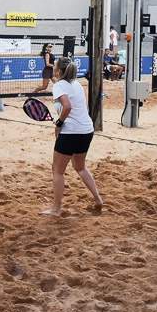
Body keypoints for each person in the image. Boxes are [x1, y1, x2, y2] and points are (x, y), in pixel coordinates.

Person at [43, 56, 103, 217]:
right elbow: (83, 107)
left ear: (59, 71)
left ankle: (56, 209)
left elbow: (67, 106)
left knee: (57, 171)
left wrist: (59, 123)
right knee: (80, 167)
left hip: (71, 132)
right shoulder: (76, 84)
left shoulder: (59, 86)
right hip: (86, 130)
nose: (53, 67)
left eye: (55, 66)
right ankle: (98, 199)